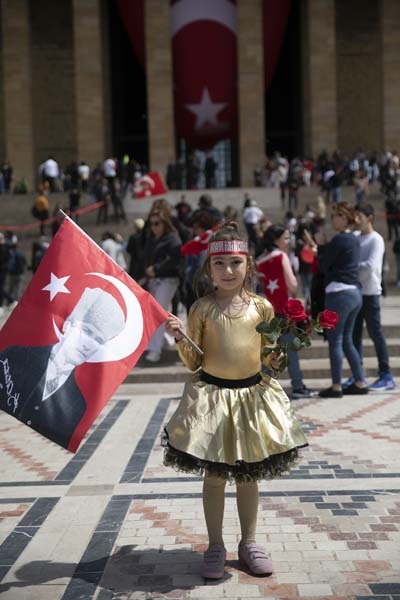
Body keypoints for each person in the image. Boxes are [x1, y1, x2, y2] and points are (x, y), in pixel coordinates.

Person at [163, 222, 307, 580]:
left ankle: (250, 542)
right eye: (219, 264)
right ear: (209, 268)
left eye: (235, 263)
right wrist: (181, 337)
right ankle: (215, 544)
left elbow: (270, 356)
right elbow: (194, 361)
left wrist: (277, 360)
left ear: (249, 266)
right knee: (214, 476)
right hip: (212, 401)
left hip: (250, 401)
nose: (227, 271)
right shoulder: (201, 309)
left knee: (247, 476)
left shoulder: (262, 308)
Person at [0, 287, 125, 449]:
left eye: (99, 340)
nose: (89, 344)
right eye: (86, 331)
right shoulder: (16, 356)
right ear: (67, 325)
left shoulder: (78, 405)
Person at [256, 224, 316, 399]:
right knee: (291, 350)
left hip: (266, 312)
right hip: (283, 311)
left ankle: (262, 386)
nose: (289, 241)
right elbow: (293, 285)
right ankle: (297, 385)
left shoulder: (260, 259)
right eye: (286, 238)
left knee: (269, 351)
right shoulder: (281, 256)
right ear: (276, 240)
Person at [315, 202, 368, 397]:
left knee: (335, 340)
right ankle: (360, 381)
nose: (332, 219)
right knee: (347, 340)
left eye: (336, 215)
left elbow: (323, 265)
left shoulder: (339, 240)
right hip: (354, 293)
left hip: (339, 293)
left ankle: (336, 386)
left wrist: (321, 246)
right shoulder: (354, 239)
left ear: (344, 218)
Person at [351, 203, 396, 391]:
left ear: (369, 217)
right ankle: (358, 375)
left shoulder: (376, 239)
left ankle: (386, 374)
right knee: (354, 335)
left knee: (375, 333)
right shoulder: (354, 237)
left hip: (370, 293)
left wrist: (351, 269)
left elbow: (370, 266)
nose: (356, 219)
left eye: (360, 216)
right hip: (354, 293)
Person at [138, 209, 182, 363]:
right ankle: (168, 339)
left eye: (157, 223)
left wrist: (156, 268)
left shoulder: (172, 239)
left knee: (157, 312)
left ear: (165, 223)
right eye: (151, 224)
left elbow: (176, 258)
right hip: (154, 280)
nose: (154, 227)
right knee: (158, 313)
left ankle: (155, 350)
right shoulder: (152, 239)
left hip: (168, 279)